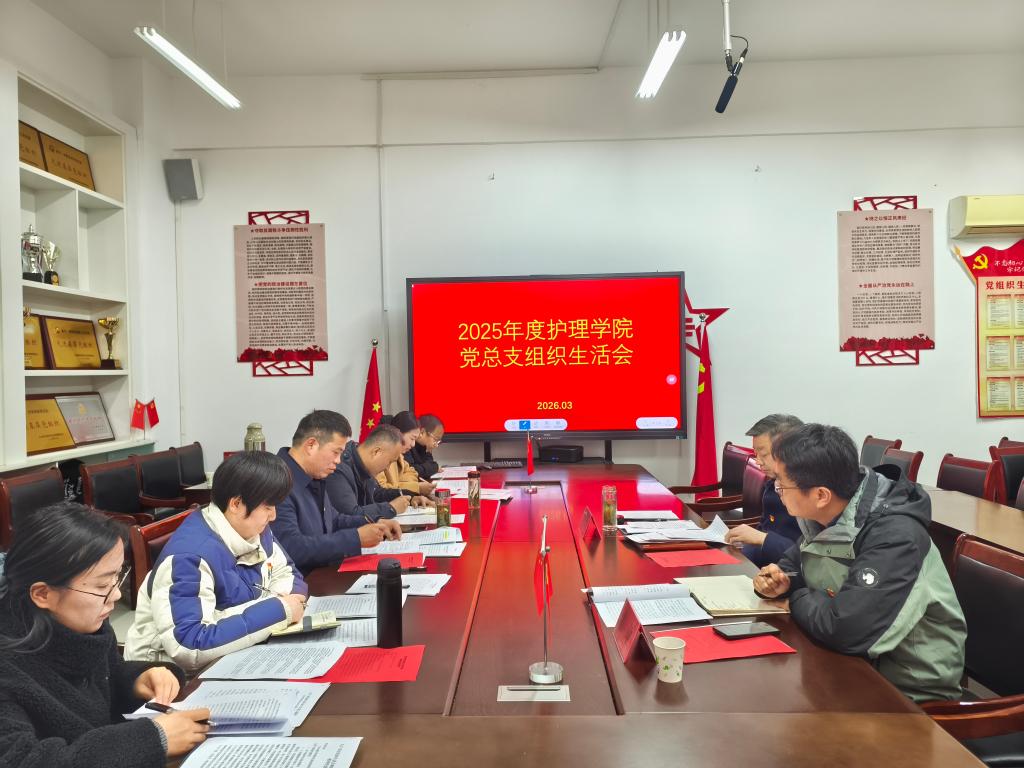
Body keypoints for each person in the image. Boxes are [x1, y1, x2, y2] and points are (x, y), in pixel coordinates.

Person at [753, 423, 966, 702]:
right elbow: (794, 564)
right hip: (848, 669)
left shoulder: (895, 536)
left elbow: (845, 629)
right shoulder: (827, 516)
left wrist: (795, 597)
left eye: (782, 483)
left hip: (909, 694)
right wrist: (780, 580)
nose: (777, 489)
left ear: (821, 495)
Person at [0, 503, 209, 767]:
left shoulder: (83, 625)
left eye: (116, 578)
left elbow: (103, 679)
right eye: (102, 585)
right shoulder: (9, 667)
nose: (116, 594)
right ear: (42, 594)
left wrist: (135, 680)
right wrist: (151, 740)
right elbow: (23, 761)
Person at [124, 452, 308, 673]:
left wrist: (274, 607)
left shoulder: (255, 529)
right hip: (167, 675)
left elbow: (290, 574)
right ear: (236, 504)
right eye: (268, 507)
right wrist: (278, 610)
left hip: (234, 652)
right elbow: (190, 645)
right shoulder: (189, 557)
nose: (274, 516)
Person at [269, 410, 401, 574]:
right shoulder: (276, 482)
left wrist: (373, 523)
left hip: (326, 573)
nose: (338, 461)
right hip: (302, 583)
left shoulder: (314, 475)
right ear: (311, 445)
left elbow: (334, 520)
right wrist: (356, 538)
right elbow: (292, 548)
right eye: (336, 452)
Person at [723, 414, 803, 566]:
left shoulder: (808, 495)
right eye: (755, 454)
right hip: (761, 567)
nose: (758, 461)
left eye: (764, 454)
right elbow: (764, 530)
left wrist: (763, 539)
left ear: (790, 451)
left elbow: (807, 559)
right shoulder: (772, 485)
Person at [328, 425, 419, 518]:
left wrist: (407, 497)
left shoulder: (363, 463)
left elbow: (376, 494)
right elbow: (350, 514)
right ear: (376, 452)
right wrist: (390, 508)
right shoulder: (339, 469)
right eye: (389, 462)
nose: (387, 468)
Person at [376, 411, 436, 499]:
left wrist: (398, 485)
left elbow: (412, 473)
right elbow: (382, 491)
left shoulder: (399, 455)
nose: (413, 444)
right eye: (412, 438)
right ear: (398, 433)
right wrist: (416, 487)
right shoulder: (378, 456)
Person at [405, 413, 443, 479]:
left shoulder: (422, 446)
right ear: (422, 432)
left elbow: (429, 465)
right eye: (436, 439)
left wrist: (428, 451)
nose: (436, 445)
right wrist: (434, 467)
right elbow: (412, 471)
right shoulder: (407, 445)